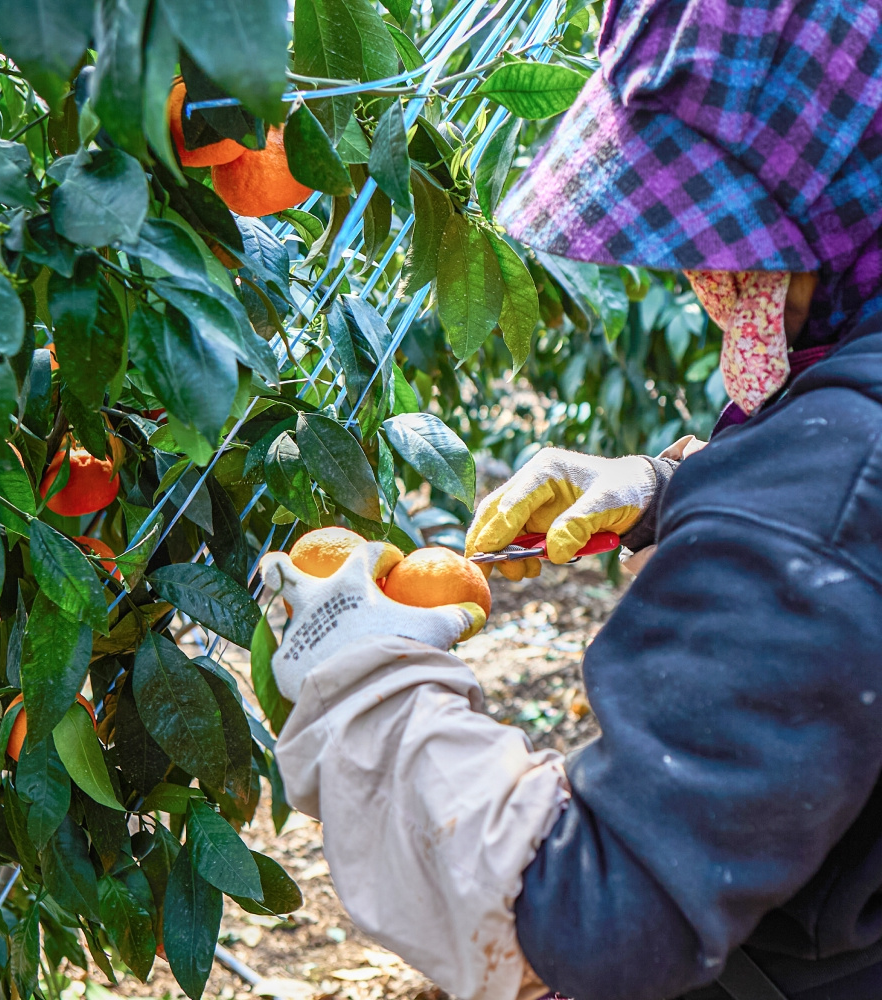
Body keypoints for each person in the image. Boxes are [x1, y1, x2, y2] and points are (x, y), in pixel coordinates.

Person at [258, 2, 882, 998]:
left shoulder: (822, 490)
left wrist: (361, 681)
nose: (700, 273)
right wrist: (670, 486)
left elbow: (591, 918)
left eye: (734, 234)